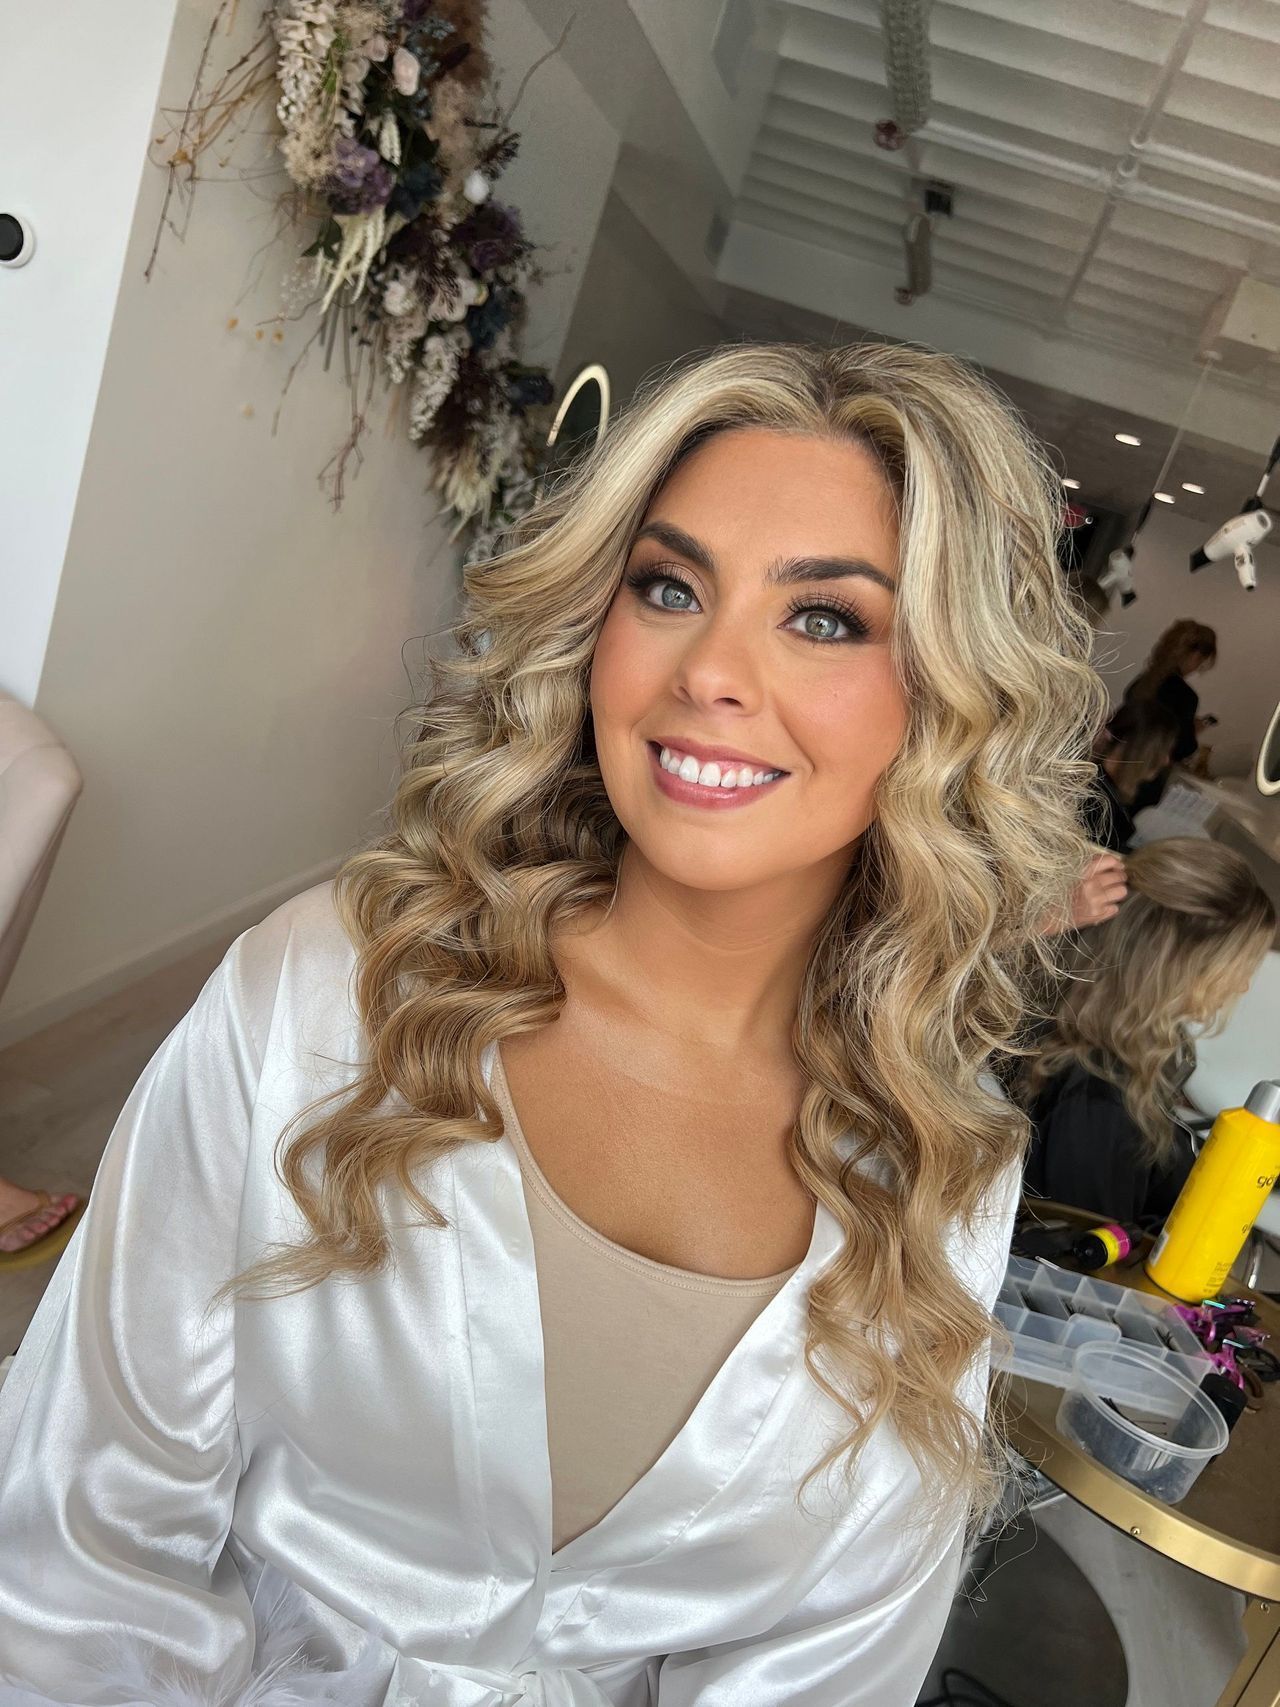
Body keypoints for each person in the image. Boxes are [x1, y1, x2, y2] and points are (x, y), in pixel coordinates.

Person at [0, 343, 1103, 1706]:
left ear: (946, 696)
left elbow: (828, 1668)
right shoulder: (333, 990)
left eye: (822, 618)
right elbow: (83, 1526)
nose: (710, 668)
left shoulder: (948, 1176)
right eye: (668, 585)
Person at [1023, 838, 1274, 1224]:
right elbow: (1078, 1271)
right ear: (1179, 965)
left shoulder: (1070, 1028)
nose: (1240, 987)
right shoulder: (1098, 1102)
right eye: (1236, 968)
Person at [1122, 618, 1217, 811]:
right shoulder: (1185, 696)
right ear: (1195, 656)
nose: (1198, 667)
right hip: (1147, 777)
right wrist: (1193, 729)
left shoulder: (1141, 683)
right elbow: (1183, 747)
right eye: (1200, 661)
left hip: (1119, 767)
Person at [1082, 697, 1180, 855]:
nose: (1166, 760)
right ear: (1140, 748)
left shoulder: (1099, 787)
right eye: (1163, 750)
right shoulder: (1096, 803)